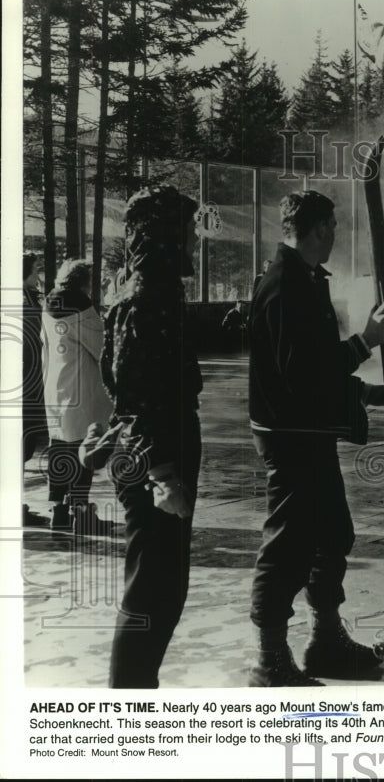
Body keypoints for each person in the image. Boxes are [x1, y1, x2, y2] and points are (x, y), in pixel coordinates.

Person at [248, 190, 384, 686]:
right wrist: (365, 342)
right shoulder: (286, 284)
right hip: (290, 434)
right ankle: (271, 660)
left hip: (307, 430)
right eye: (332, 226)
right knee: (289, 546)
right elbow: (302, 375)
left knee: (332, 534)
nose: (337, 234)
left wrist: (366, 393)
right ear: (317, 229)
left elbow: (313, 367)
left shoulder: (306, 279)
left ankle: (325, 640)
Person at [101, 186, 203, 688]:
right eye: (186, 230)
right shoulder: (144, 298)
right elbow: (134, 394)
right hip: (154, 458)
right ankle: (129, 704)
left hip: (161, 449)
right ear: (164, 235)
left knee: (163, 588)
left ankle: (138, 690)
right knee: (152, 589)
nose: (193, 241)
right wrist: (163, 475)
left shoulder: (154, 291)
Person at [41, 260, 113, 534]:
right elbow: (101, 347)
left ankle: (58, 511)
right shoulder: (81, 307)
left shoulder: (49, 303)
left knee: (59, 446)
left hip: (55, 385)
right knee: (84, 447)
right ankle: (81, 514)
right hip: (81, 386)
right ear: (84, 281)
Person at [22, 254, 49, 527]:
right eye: (34, 271)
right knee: (22, 444)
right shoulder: (25, 303)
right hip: (27, 384)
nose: (37, 277)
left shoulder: (29, 300)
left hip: (28, 382)